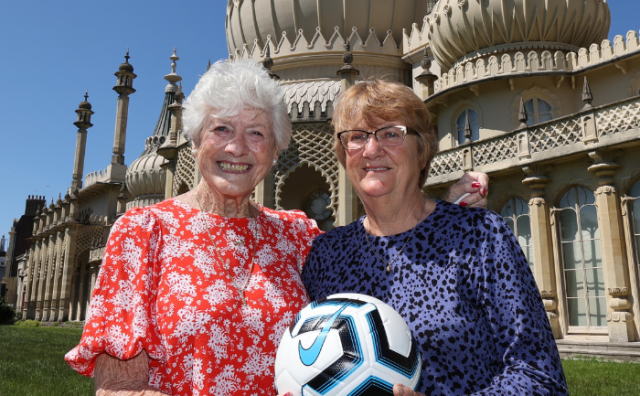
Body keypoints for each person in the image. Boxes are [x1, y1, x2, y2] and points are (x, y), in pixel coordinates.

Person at [65, 61, 487, 396]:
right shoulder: (143, 233)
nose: (237, 148)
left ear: (275, 150)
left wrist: (436, 213)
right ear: (195, 141)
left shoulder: (296, 234)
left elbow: (374, 259)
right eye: (222, 129)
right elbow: (119, 388)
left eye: (256, 133)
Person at [301, 79, 568, 396]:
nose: (371, 150)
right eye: (356, 137)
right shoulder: (327, 254)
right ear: (344, 156)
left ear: (422, 150)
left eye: (391, 134)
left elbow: (540, 376)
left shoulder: (478, 235)